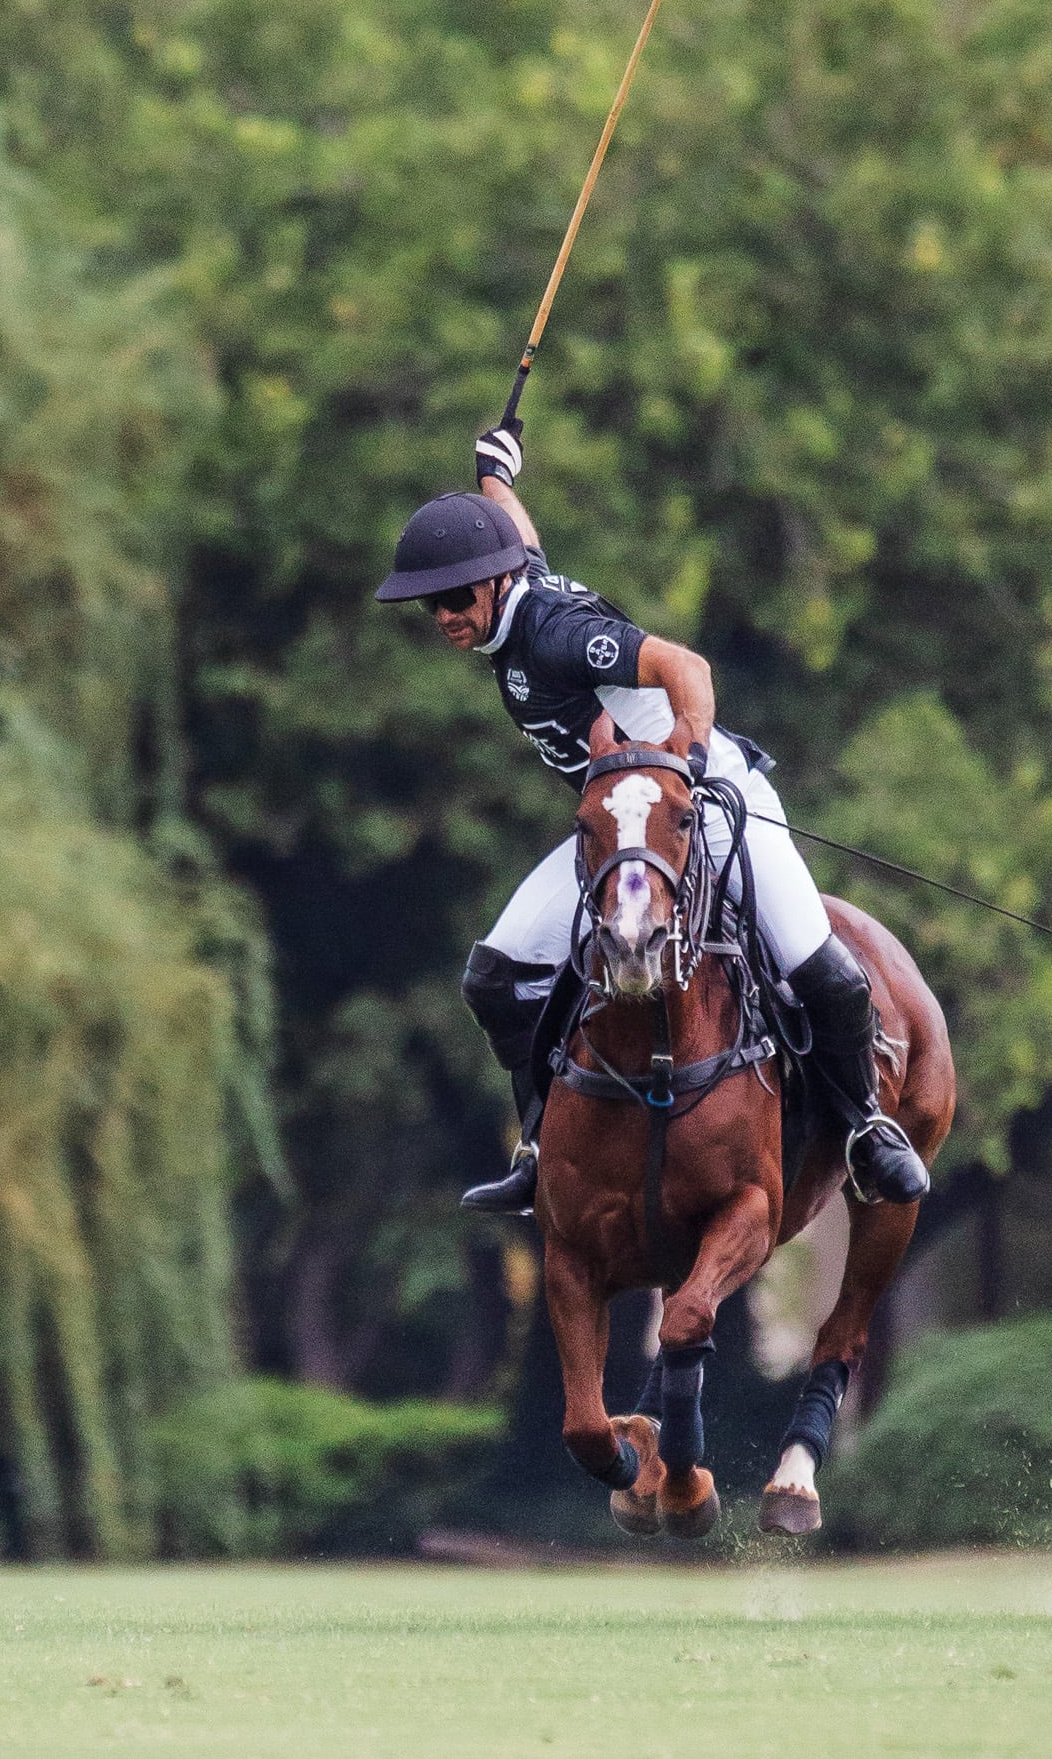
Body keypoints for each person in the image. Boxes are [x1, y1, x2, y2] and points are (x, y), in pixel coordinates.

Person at [375, 424, 931, 1215]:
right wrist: (497, 475)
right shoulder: (510, 596)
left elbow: (684, 667)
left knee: (819, 967)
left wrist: (694, 757)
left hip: (701, 803)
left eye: (454, 597)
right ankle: (537, 1146)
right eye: (430, 602)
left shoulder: (560, 635)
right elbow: (522, 544)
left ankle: (864, 1129)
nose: (441, 615)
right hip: (614, 829)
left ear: (495, 586)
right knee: (494, 978)